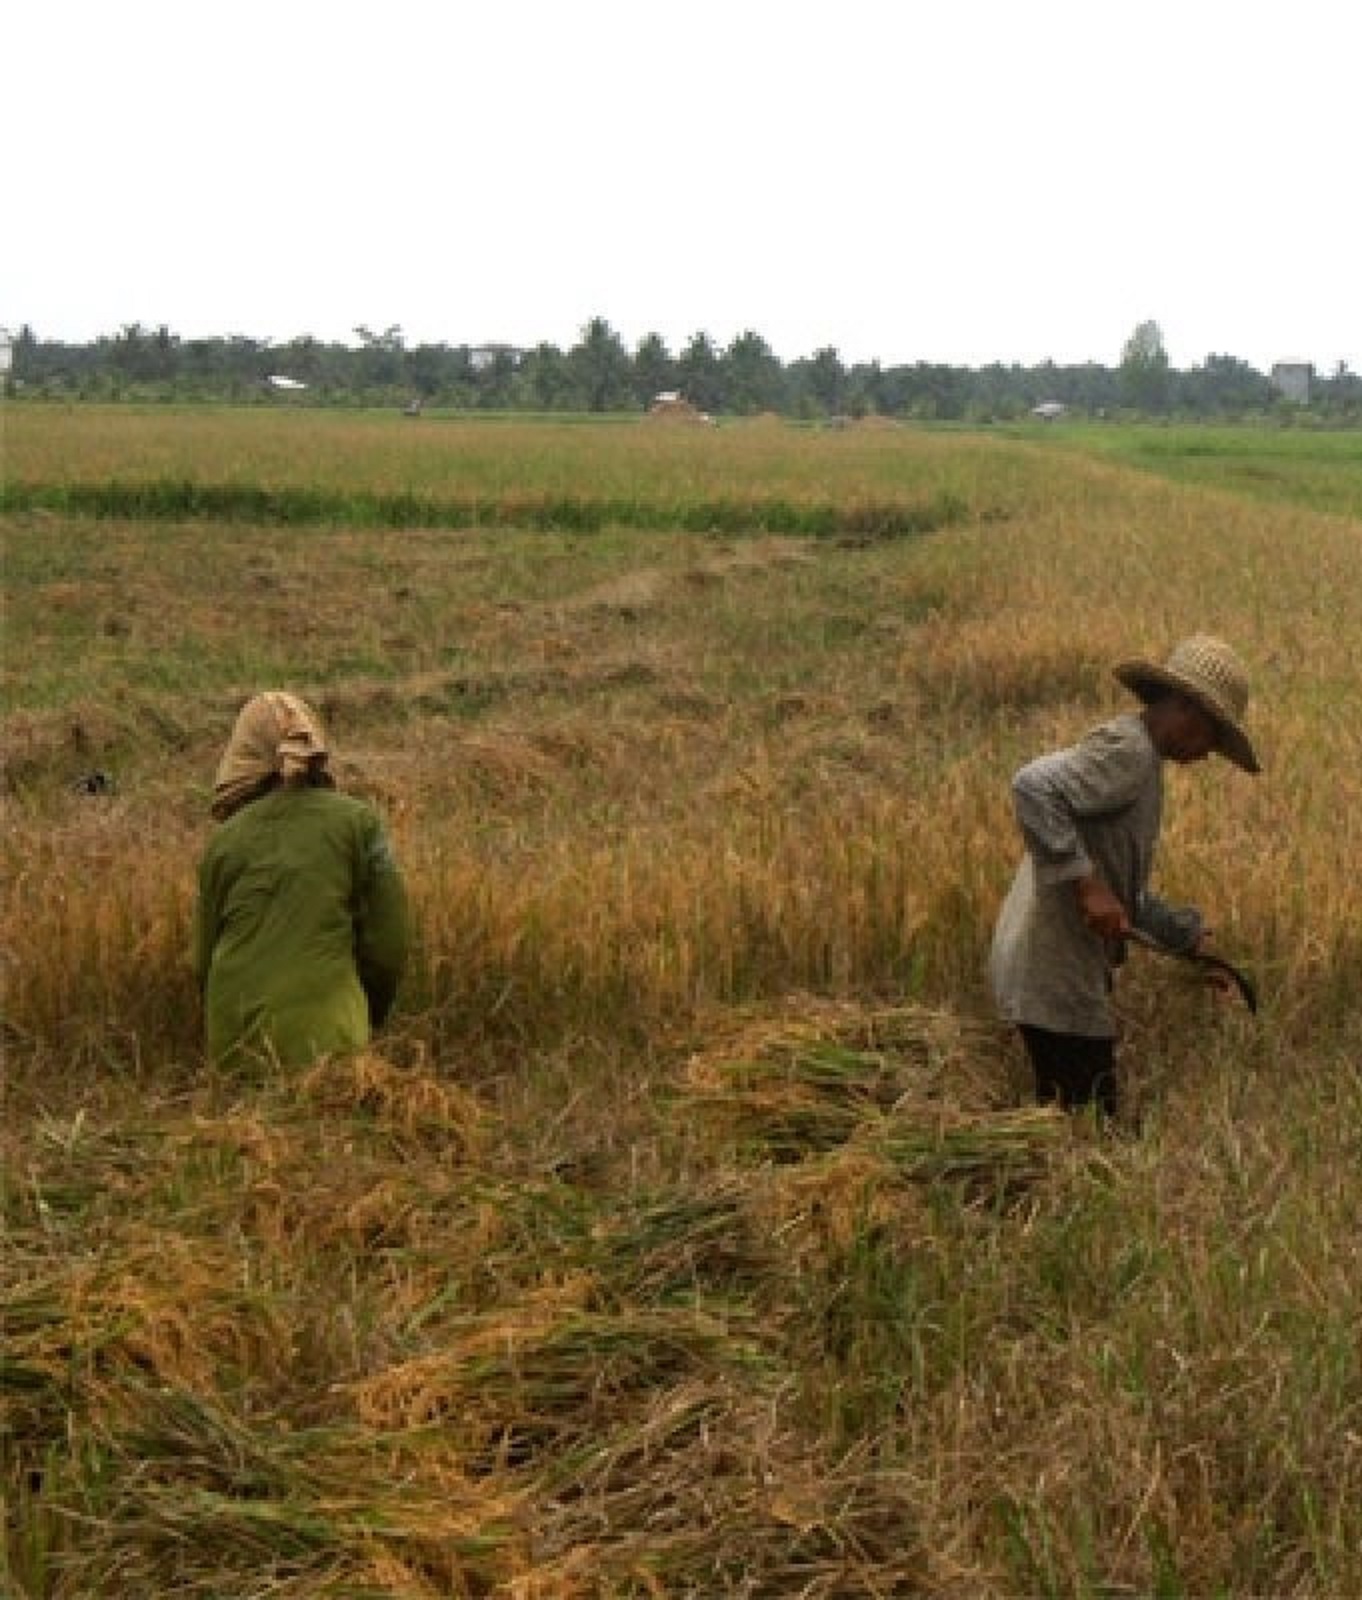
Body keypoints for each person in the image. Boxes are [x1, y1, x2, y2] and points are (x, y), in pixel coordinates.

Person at [989, 635, 1260, 1117]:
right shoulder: (1130, 752)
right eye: (1212, 738)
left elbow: (1121, 889)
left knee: (1074, 1120)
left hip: (1056, 968)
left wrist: (1186, 937)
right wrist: (1086, 883)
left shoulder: (1142, 759)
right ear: (1187, 709)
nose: (1206, 754)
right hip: (1054, 973)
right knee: (1088, 1126)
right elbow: (1031, 786)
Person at [192, 691, 410, 1068]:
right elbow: (389, 944)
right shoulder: (359, 824)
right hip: (329, 1040)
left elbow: (202, 961)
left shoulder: (224, 842)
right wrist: (368, 1010)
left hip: (234, 1043)